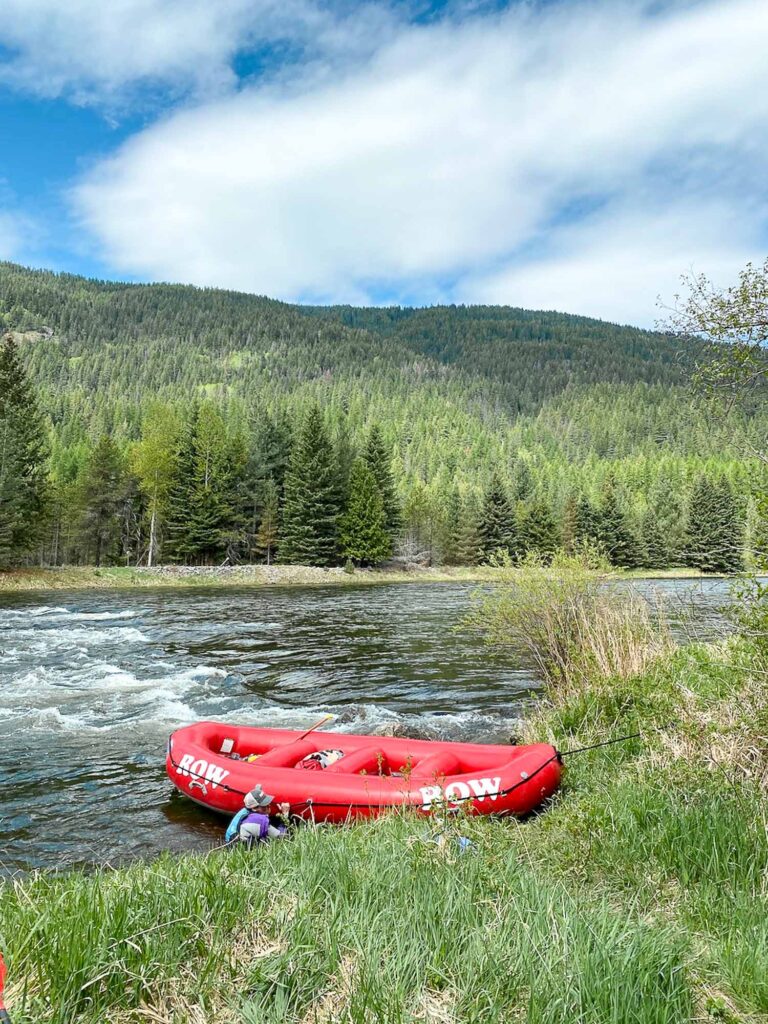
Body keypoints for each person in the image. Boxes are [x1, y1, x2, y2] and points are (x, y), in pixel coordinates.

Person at [225, 785, 290, 845]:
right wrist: (285, 815)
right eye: (264, 804)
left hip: (231, 841)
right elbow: (282, 838)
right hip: (238, 848)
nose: (268, 805)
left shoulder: (245, 810)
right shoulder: (258, 820)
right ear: (254, 808)